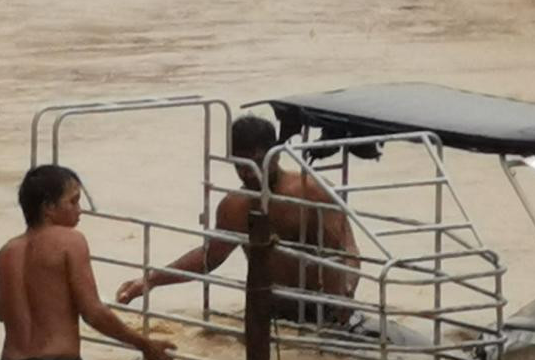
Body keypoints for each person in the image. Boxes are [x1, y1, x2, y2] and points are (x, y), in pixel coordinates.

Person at [115, 115, 359, 322]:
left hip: (323, 310)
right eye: (238, 164)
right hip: (269, 310)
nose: (245, 172)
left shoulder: (312, 192)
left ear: (275, 155)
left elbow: (347, 251)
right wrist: (150, 280)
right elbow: (210, 256)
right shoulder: (235, 206)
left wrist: (346, 294)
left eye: (253, 161)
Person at [0, 165, 176, 360]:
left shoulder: (6, 253)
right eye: (73, 202)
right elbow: (93, 313)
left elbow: (1, 313)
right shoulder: (71, 241)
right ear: (48, 208)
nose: (80, 210)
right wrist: (144, 345)